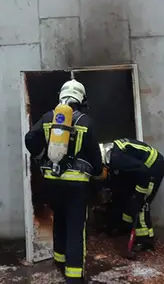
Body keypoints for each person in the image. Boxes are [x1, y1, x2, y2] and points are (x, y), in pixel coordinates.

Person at [25, 79, 102, 284]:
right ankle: (74, 277)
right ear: (81, 97)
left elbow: (30, 137)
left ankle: (59, 261)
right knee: (76, 228)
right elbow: (96, 159)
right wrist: (95, 173)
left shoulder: (49, 117)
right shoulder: (87, 122)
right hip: (77, 186)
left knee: (59, 220)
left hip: (53, 182)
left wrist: (42, 156)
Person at [101, 138, 164, 253]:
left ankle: (145, 240)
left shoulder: (117, 158)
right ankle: (126, 228)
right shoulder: (113, 154)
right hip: (141, 170)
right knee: (128, 198)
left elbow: (143, 172)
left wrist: (139, 194)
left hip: (152, 168)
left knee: (141, 204)